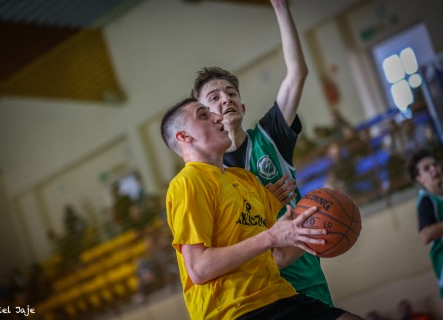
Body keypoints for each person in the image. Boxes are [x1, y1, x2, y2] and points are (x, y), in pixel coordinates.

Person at [160, 97, 363, 319]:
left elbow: (280, 256)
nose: (218, 116)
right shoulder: (188, 182)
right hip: (233, 311)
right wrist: (270, 237)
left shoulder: (246, 180)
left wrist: (316, 228)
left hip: (278, 296)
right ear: (184, 136)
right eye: (203, 115)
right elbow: (199, 269)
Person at [191, 0, 333, 306]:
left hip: (302, 270)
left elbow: (297, 74)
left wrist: (282, 8)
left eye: (231, 93)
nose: (225, 99)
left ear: (242, 107)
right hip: (255, 284)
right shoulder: (209, 171)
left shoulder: (271, 135)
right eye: (214, 98)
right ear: (204, 115)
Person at [407, 149, 443, 299]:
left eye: (435, 165)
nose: (434, 169)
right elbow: (425, 235)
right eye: (427, 168)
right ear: (419, 178)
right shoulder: (426, 201)